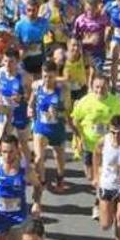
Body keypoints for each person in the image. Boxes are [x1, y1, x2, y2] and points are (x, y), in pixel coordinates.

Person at [70, 75, 120, 218]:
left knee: (101, 176)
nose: (100, 90)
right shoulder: (86, 101)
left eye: (103, 87)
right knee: (91, 176)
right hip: (89, 145)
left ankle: (98, 204)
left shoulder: (115, 102)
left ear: (108, 87)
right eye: (97, 87)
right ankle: (106, 193)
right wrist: (78, 137)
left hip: (107, 146)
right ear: (92, 87)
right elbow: (75, 120)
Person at [29, 60, 71, 193]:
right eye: (45, 76)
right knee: (38, 158)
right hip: (41, 128)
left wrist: (58, 112)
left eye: (51, 77)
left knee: (59, 156)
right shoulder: (37, 86)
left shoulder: (63, 90)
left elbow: (68, 110)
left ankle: (60, 178)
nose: (47, 80)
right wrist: (30, 109)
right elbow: (32, 101)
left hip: (57, 128)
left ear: (56, 75)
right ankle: (42, 181)